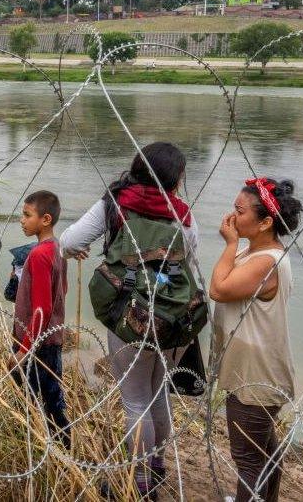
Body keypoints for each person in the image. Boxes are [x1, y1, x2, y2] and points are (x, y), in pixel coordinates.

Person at [60, 142, 199, 498]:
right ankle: (157, 468)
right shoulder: (181, 213)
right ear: (175, 179)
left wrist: (78, 251)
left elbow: (69, 240)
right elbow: (191, 261)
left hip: (130, 316)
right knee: (158, 397)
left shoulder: (115, 204)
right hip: (173, 316)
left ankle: (138, 482)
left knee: (134, 401)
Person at [210, 177, 303, 502]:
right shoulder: (261, 251)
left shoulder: (266, 261)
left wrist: (230, 245)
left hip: (255, 376)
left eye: (239, 211)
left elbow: (219, 289)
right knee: (264, 452)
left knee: (248, 460)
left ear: (265, 222)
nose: (232, 217)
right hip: (253, 369)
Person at [9, 190, 70, 449]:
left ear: (45, 219)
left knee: (36, 400)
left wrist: (23, 350)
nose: (22, 220)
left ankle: (55, 448)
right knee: (51, 397)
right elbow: (63, 289)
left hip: (36, 343)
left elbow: (41, 309)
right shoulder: (58, 248)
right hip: (50, 338)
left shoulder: (38, 255)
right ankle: (58, 447)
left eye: (27, 215)